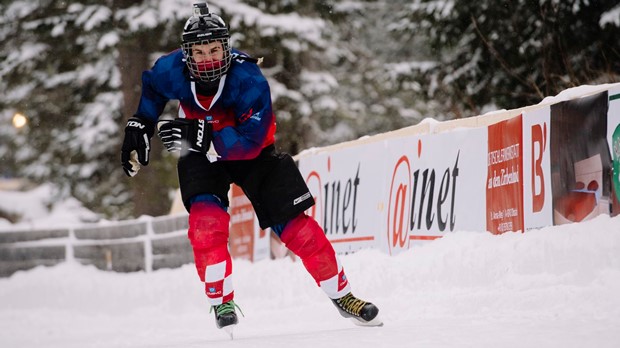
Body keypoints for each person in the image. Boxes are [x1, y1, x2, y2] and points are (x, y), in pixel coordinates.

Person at [120, 2, 381, 331]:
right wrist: (139, 123)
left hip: (252, 151)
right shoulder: (171, 70)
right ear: (186, 55)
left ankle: (343, 295)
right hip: (199, 153)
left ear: (227, 48)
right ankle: (221, 300)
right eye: (199, 53)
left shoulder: (248, 78)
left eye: (215, 49)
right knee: (205, 225)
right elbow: (153, 87)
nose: (208, 59)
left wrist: (203, 134)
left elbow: (251, 141)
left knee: (298, 228)